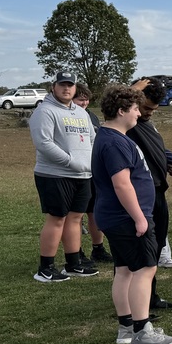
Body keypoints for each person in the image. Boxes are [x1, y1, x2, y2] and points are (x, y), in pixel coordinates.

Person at [92, 85, 172, 344]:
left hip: (114, 217)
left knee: (124, 270)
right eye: (133, 110)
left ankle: (127, 327)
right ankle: (143, 332)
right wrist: (140, 218)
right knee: (145, 269)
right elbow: (122, 184)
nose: (138, 115)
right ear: (121, 111)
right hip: (126, 218)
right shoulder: (115, 142)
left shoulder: (111, 136)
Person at [30, 70, 98, 282]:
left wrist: (90, 163)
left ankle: (73, 263)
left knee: (75, 219)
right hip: (54, 174)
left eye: (70, 85)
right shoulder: (45, 111)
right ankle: (46, 267)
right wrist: (70, 161)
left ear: (75, 88)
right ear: (54, 87)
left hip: (83, 174)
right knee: (57, 219)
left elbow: (92, 139)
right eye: (62, 84)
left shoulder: (81, 113)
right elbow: (44, 143)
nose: (66, 88)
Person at [127, 77, 172, 308]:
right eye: (145, 108)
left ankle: (150, 296)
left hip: (157, 190)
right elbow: (111, 108)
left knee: (156, 246)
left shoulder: (147, 123)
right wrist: (131, 92)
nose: (148, 113)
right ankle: (138, 302)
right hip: (140, 195)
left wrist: (166, 162)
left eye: (153, 110)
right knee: (143, 249)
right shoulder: (126, 123)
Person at [73, 83, 112, 265]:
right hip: (75, 172)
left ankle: (98, 249)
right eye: (80, 99)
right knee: (76, 215)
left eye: (86, 99)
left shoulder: (91, 116)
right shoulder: (69, 117)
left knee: (94, 212)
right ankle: (76, 252)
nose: (84, 103)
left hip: (93, 171)